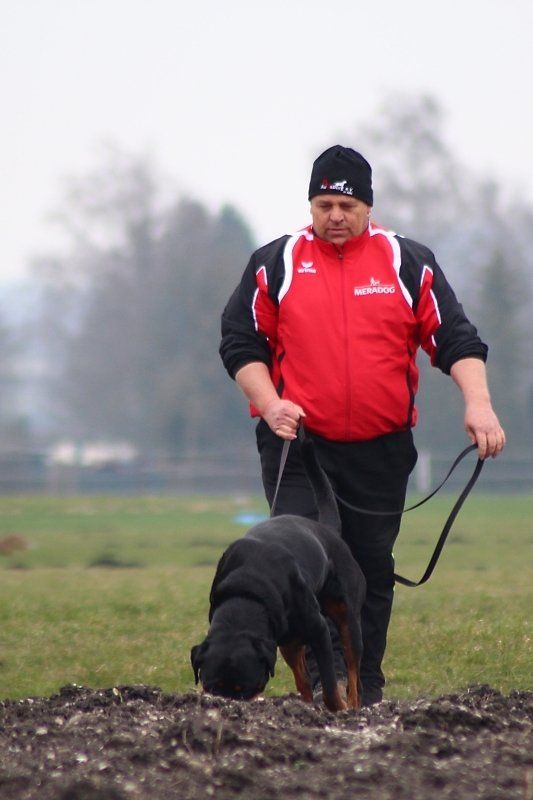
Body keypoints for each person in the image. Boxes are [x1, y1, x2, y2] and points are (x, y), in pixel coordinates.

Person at [219, 145, 506, 706]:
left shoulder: (407, 262)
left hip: (380, 450)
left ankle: (364, 684)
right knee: (301, 563)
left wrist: (480, 405)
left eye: (347, 206)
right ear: (310, 205)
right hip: (298, 447)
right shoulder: (276, 263)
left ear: (368, 207)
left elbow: (455, 338)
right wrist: (271, 403)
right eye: (324, 205)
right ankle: (319, 683)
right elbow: (240, 340)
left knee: (369, 567)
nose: (335, 216)